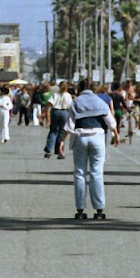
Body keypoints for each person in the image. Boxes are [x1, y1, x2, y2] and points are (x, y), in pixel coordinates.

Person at [58, 79, 119, 219]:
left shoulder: (76, 102)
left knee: (79, 173)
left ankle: (80, 209)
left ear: (79, 88)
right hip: (97, 137)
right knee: (96, 172)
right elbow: (110, 121)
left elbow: (69, 124)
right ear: (94, 89)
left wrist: (62, 141)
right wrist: (115, 134)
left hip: (81, 137)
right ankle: (99, 209)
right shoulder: (99, 102)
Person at [43, 81, 73, 159]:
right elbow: (70, 107)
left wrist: (46, 117)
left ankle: (48, 150)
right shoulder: (68, 96)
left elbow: (49, 104)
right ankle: (59, 150)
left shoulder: (55, 94)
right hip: (64, 112)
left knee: (53, 131)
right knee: (61, 132)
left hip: (55, 112)